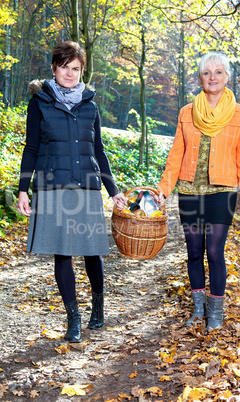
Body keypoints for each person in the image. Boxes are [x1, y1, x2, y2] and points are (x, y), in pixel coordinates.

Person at [18, 41, 127, 343]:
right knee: (62, 253)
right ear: (54, 68)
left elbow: (99, 151)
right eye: (64, 67)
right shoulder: (39, 102)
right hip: (52, 188)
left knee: (92, 250)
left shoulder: (90, 105)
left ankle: (98, 305)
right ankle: (73, 318)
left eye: (75, 68)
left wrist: (113, 190)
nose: (69, 73)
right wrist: (23, 189)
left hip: (87, 187)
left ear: (82, 70)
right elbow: (31, 148)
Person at [157, 52, 240, 331]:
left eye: (218, 72)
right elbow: (176, 155)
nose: (212, 78)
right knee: (193, 252)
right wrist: (164, 189)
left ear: (227, 77)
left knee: (214, 252)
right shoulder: (187, 112)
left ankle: (215, 312)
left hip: (222, 192)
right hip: (189, 191)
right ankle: (198, 309)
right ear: (199, 77)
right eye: (206, 72)